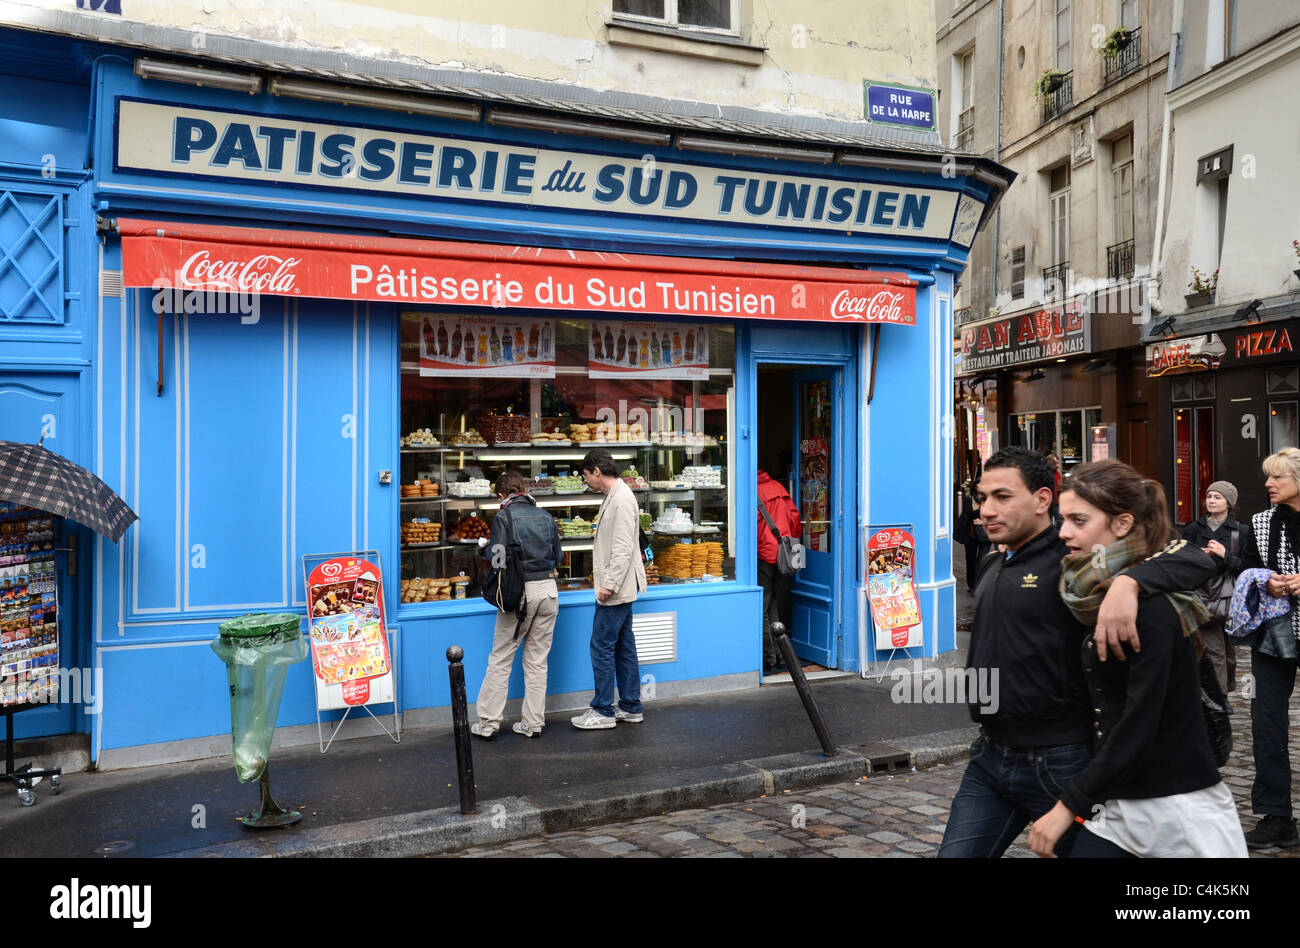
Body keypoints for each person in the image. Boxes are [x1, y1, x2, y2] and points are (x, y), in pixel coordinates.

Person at [937, 446, 1215, 858]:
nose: (986, 510)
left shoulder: (1074, 560)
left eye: (1002, 497)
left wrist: (1130, 583)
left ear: (1041, 500)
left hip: (1060, 759)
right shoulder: (993, 562)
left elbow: (1191, 556)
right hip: (989, 756)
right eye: (982, 498)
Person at [1026, 460, 1246, 858]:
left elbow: (1140, 720)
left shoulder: (1151, 608)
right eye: (1063, 519)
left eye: (1078, 520)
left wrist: (1068, 806)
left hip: (1175, 806)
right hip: (1117, 799)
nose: (1064, 532)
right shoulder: (1085, 590)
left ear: (1123, 525)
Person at [1236, 447, 1300, 850]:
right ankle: (1276, 817)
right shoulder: (1260, 523)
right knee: (1266, 721)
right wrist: (1267, 580)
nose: (1268, 484)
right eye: (1267, 476)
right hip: (1275, 633)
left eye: (1277, 476)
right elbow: (1243, 568)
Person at [469, 470, 562, 739]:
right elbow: (558, 555)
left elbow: (498, 560)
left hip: (521, 594)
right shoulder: (545, 516)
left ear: (501, 494)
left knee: (501, 659)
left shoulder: (503, 517)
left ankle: (488, 723)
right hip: (549, 591)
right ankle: (533, 723)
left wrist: (485, 546)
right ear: (523, 489)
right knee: (537, 661)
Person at [571, 448, 648, 730]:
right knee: (624, 647)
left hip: (615, 589)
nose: (586, 481)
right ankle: (630, 706)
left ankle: (603, 711)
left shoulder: (621, 500)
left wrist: (609, 585)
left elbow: (623, 548)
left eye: (586, 475)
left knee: (601, 646)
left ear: (597, 472)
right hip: (620, 587)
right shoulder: (616, 496)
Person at [1182, 480, 1244, 694]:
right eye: (1209, 496)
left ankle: (1220, 693)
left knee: (1224, 648)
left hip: (1227, 597)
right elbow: (1180, 562)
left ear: (1229, 502)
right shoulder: (1193, 528)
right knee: (1213, 647)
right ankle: (1217, 696)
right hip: (1199, 594)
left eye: (1218, 497)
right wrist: (1197, 555)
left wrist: (1224, 554)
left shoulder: (1240, 530)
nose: (1212, 501)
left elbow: (1245, 568)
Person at [757, 468, 802, 674]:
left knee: (762, 605)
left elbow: (753, 528)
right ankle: (780, 652)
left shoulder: (754, 491)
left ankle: (769, 657)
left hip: (764, 552)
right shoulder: (778, 487)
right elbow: (794, 518)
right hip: (783, 550)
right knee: (773, 601)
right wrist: (790, 540)